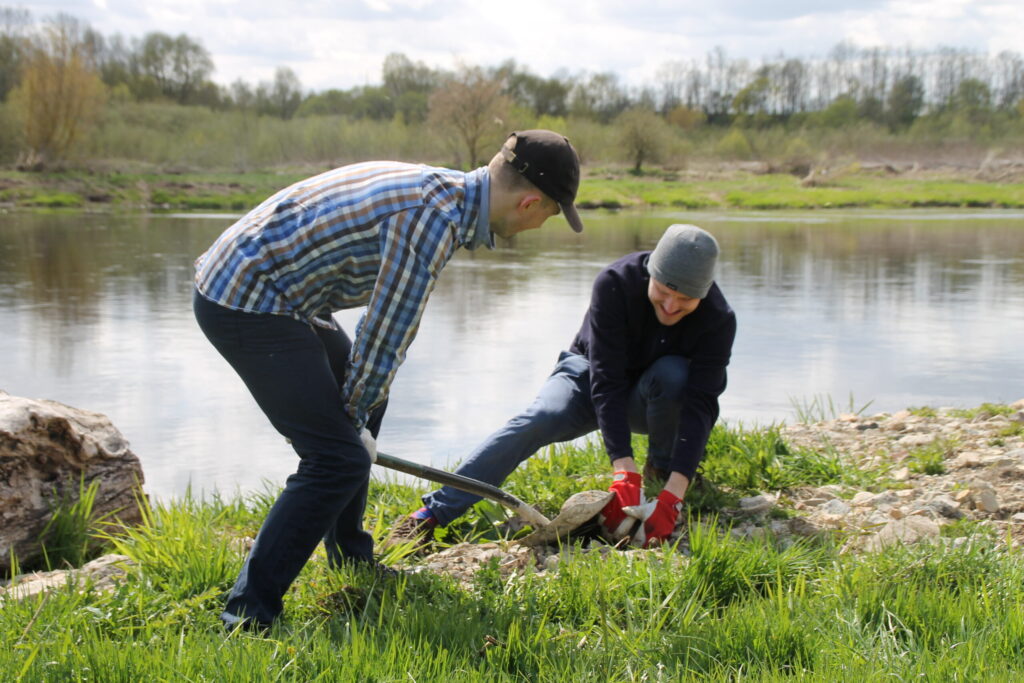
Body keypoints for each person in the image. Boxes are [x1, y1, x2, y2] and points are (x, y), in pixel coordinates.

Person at [192, 130, 584, 630]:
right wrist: (350, 426)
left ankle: (350, 559)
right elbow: (383, 338)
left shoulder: (445, 194)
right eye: (549, 215)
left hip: (284, 292)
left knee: (364, 406)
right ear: (529, 204)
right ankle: (247, 615)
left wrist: (357, 414)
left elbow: (373, 360)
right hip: (247, 298)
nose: (538, 225)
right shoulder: (431, 222)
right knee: (336, 458)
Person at [386, 224, 736, 550]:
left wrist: (675, 493)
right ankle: (432, 514)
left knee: (675, 376)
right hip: (587, 376)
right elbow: (607, 379)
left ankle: (662, 470)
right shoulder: (615, 283)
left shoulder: (719, 319)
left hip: (653, 395)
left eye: (685, 300)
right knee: (541, 417)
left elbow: (700, 406)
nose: (671, 306)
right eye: (663, 292)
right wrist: (623, 470)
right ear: (651, 273)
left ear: (703, 294)